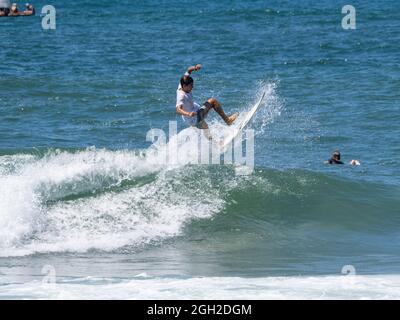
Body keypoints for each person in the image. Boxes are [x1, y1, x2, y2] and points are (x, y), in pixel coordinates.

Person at [176, 65, 238, 132]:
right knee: (213, 101)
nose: (192, 87)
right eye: (191, 86)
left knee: (205, 127)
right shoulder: (181, 95)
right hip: (194, 117)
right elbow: (178, 109)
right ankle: (228, 121)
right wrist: (188, 113)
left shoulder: (181, 84)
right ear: (185, 86)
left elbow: (188, 70)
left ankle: (213, 142)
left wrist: (195, 68)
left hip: (192, 118)